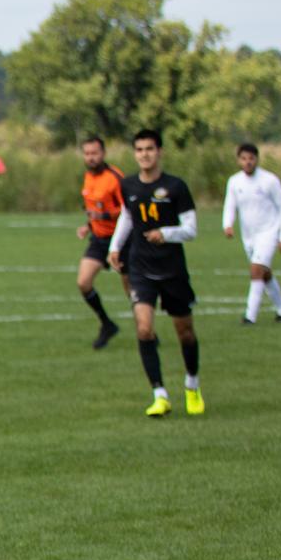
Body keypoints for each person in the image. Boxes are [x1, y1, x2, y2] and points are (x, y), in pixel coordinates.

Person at [108, 129, 203, 417]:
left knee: (185, 333)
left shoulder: (176, 187)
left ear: (159, 151)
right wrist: (115, 246)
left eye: (150, 149)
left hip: (172, 270)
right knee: (144, 328)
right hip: (141, 268)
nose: (144, 154)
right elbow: (127, 215)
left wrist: (166, 233)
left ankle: (192, 384)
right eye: (139, 149)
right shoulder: (128, 185)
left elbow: (191, 229)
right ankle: (159, 394)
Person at [221, 143, 281, 325]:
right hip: (249, 235)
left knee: (256, 271)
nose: (247, 162)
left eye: (251, 158)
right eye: (244, 159)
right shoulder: (234, 181)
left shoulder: (269, 180)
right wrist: (227, 224)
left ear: (257, 159)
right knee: (264, 273)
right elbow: (230, 204)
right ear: (239, 160)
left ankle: (249, 316)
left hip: (269, 231)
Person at [75, 136, 132, 349]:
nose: (91, 157)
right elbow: (95, 209)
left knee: (131, 292)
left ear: (103, 153)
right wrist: (88, 225)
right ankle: (107, 324)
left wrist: (105, 217)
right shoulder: (88, 177)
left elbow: (128, 211)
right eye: (87, 153)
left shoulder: (115, 178)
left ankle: (147, 332)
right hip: (99, 240)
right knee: (83, 283)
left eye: (94, 153)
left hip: (122, 240)